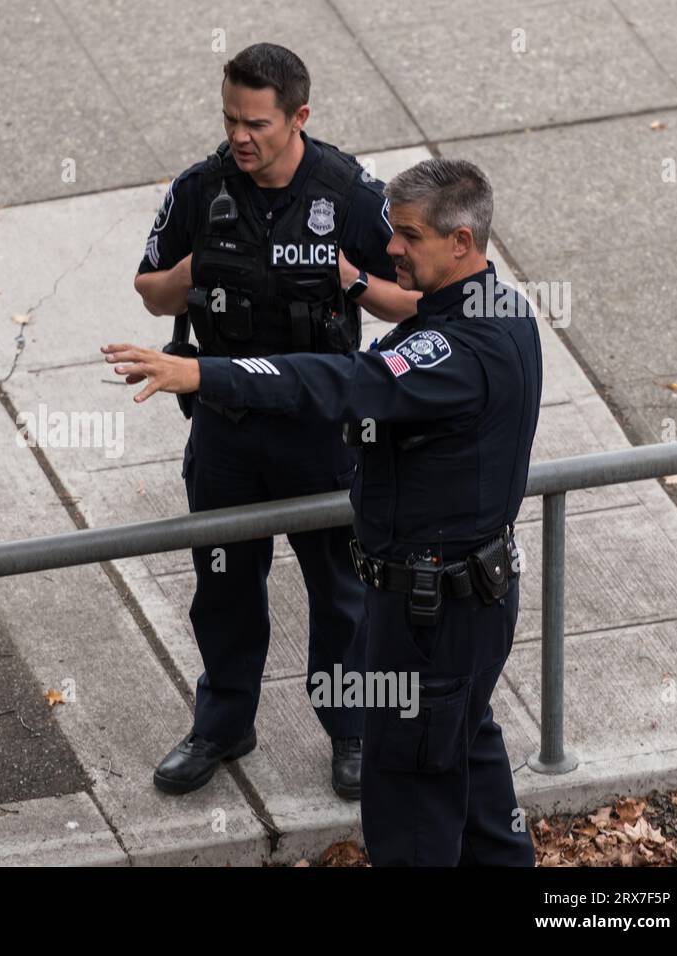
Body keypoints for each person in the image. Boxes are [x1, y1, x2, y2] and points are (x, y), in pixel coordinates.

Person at [106, 156, 540, 866]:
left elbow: (342, 381)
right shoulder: (501, 308)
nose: (389, 248)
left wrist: (204, 372)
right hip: (460, 604)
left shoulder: (458, 350)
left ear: (461, 243)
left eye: (407, 236)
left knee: (409, 808)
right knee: (470, 761)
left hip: (432, 616)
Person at [132, 42, 421, 798]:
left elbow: (417, 300)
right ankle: (223, 724)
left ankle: (353, 730)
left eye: (256, 122)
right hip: (228, 429)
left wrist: (350, 281)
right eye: (230, 118)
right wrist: (202, 264)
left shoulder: (351, 193)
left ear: (299, 117)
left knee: (342, 594)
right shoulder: (201, 188)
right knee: (224, 584)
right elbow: (151, 293)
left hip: (322, 429)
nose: (239, 137)